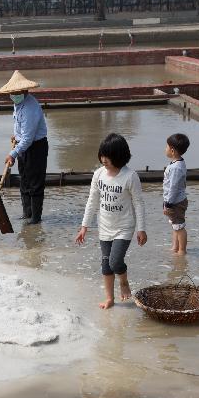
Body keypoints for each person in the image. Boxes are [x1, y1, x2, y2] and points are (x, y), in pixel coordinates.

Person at [76, 133, 147, 310]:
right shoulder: (98, 174)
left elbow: (138, 203)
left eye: (107, 156)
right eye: (102, 155)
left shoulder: (130, 176)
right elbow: (92, 201)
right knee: (106, 264)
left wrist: (141, 229)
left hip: (124, 227)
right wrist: (84, 226)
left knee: (115, 262)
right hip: (104, 226)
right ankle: (109, 298)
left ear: (119, 156)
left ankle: (123, 281)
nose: (103, 160)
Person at [0, 70, 48, 225]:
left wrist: (12, 154)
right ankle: (27, 214)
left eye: (16, 93)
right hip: (23, 146)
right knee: (24, 181)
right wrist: (16, 136)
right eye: (12, 93)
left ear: (25, 91)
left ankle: (35, 219)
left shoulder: (30, 108)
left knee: (35, 184)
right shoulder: (18, 104)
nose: (13, 95)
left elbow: (28, 138)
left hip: (35, 148)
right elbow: (19, 126)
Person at [163, 132, 189, 255]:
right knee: (175, 226)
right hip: (175, 200)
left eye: (166, 147)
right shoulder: (178, 163)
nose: (165, 149)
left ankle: (182, 251)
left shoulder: (176, 168)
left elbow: (173, 187)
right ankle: (175, 247)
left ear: (172, 151)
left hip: (176, 202)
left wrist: (168, 204)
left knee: (179, 227)